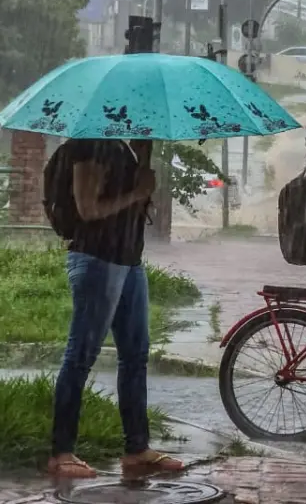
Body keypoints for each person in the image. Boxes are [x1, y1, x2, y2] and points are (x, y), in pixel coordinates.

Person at [48, 139, 185, 480]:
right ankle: (61, 452)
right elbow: (88, 208)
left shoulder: (123, 148)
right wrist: (137, 192)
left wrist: (142, 164)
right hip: (97, 260)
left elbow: (127, 210)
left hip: (128, 263)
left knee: (136, 355)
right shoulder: (92, 143)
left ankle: (137, 449)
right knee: (80, 355)